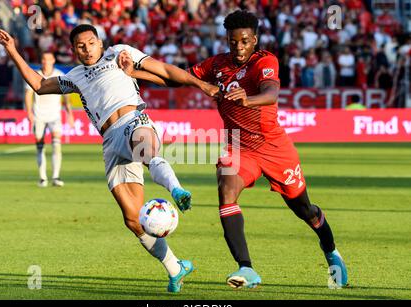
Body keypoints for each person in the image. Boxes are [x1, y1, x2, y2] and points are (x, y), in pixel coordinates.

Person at [120, 10, 348, 289]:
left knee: (305, 210)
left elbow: (271, 93)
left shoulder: (265, 60)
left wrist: (247, 100)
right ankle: (246, 268)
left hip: (274, 148)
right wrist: (136, 73)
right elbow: (176, 79)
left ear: (254, 39)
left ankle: (331, 251)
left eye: (243, 41)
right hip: (239, 148)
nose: (238, 47)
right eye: (232, 41)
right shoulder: (216, 65)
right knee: (226, 191)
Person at [0, 25, 219, 293]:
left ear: (100, 43)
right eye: (80, 45)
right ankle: (175, 267)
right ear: (74, 50)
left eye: (91, 42)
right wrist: (12, 50)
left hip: (134, 119)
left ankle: (176, 189)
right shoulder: (75, 76)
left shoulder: (119, 53)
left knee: (146, 150)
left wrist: (200, 83)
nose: (87, 48)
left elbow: (166, 71)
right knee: (133, 219)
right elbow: (40, 85)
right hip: (110, 142)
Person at [24, 51, 74, 187]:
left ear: (53, 60)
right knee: (40, 147)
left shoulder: (59, 74)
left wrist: (70, 113)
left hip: (55, 115)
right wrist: (29, 112)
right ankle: (42, 178)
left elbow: (66, 95)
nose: (46, 62)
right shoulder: (35, 75)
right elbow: (28, 94)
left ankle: (56, 177)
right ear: (41, 61)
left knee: (56, 145)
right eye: (44, 59)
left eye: (48, 59)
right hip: (39, 115)